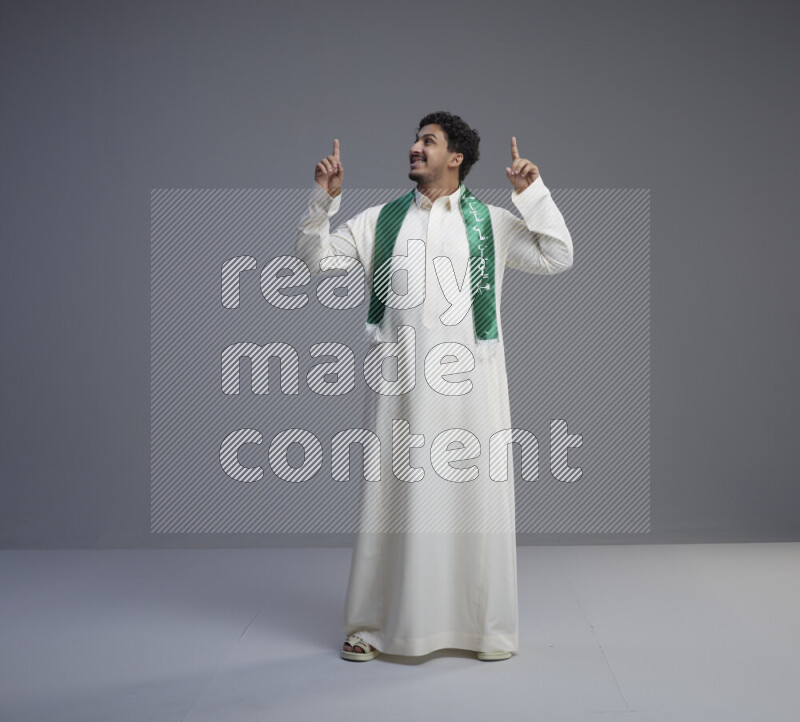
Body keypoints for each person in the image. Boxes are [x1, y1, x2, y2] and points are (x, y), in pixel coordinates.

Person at [294, 111, 574, 662]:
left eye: (429, 142)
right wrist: (322, 202)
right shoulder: (380, 221)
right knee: (391, 501)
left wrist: (533, 194)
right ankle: (372, 626)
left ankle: (481, 629)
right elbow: (314, 257)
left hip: (473, 387)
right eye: (417, 140)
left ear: (457, 158)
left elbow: (557, 256)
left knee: (474, 501)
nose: (414, 149)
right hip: (399, 389)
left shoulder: (489, 223)